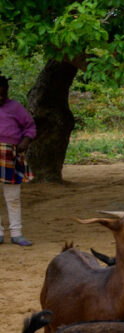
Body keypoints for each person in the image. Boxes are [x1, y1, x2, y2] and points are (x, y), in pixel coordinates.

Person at [0, 76, 35, 247]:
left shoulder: (15, 107)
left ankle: (16, 233)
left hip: (10, 155)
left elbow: (30, 127)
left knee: (12, 196)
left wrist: (25, 141)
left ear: (6, 90)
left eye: (2, 92)